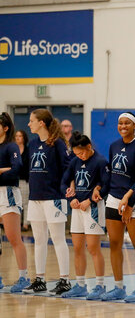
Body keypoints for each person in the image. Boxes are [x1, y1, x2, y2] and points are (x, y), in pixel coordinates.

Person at [100, 112, 135, 302]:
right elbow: (113, 174)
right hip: (114, 198)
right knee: (114, 243)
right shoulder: (114, 146)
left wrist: (130, 201)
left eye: (127, 123)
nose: (123, 126)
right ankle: (119, 287)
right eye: (120, 123)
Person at [22, 109, 71, 296]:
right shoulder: (33, 144)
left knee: (58, 239)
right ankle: (40, 280)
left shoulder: (58, 144)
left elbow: (68, 168)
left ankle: (65, 280)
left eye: (31, 121)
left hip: (54, 198)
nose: (29, 124)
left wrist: (64, 189)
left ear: (41, 123)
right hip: (35, 198)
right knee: (39, 240)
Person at [60, 132, 109, 300]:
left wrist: (90, 199)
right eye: (76, 154)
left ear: (89, 147)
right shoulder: (74, 162)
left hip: (93, 208)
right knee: (78, 248)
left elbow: (106, 185)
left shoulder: (101, 162)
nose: (79, 156)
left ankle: (100, 285)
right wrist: (71, 198)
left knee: (94, 248)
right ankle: (80, 285)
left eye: (81, 153)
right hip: (77, 209)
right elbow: (64, 182)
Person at [0, 113, 30, 292]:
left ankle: (23, 277)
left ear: (5, 128)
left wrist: (1, 171)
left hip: (8, 192)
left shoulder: (11, 146)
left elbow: (17, 168)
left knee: (13, 237)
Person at [14, 130, 30, 231]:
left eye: (20, 136)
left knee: (25, 203)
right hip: (14, 180)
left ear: (24, 138)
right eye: (16, 136)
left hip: (25, 180)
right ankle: (16, 223)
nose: (18, 138)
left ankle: (25, 224)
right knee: (15, 203)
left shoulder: (28, 150)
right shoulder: (13, 150)